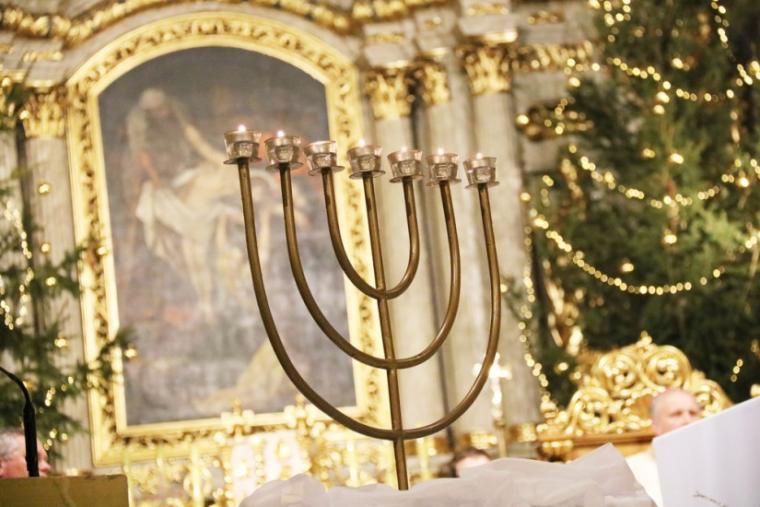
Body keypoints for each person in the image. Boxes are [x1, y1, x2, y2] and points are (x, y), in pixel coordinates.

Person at [626, 388, 700, 506]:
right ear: (655, 425)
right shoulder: (629, 470)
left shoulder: (715, 465)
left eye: (693, 413)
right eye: (676, 414)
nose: (687, 420)